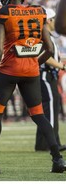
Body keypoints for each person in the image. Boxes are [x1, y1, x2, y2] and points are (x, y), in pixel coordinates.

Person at [0, 0, 66, 174]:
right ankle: (58, 160)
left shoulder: (3, 12)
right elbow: (49, 48)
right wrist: (35, 63)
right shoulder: (38, 11)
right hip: (31, 72)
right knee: (39, 116)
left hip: (8, 70)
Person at [35, 8, 66, 152]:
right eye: (54, 19)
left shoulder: (47, 35)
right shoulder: (44, 34)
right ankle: (52, 143)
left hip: (48, 75)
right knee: (51, 108)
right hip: (45, 75)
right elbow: (44, 55)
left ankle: (43, 143)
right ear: (48, 20)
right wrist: (61, 66)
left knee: (48, 109)